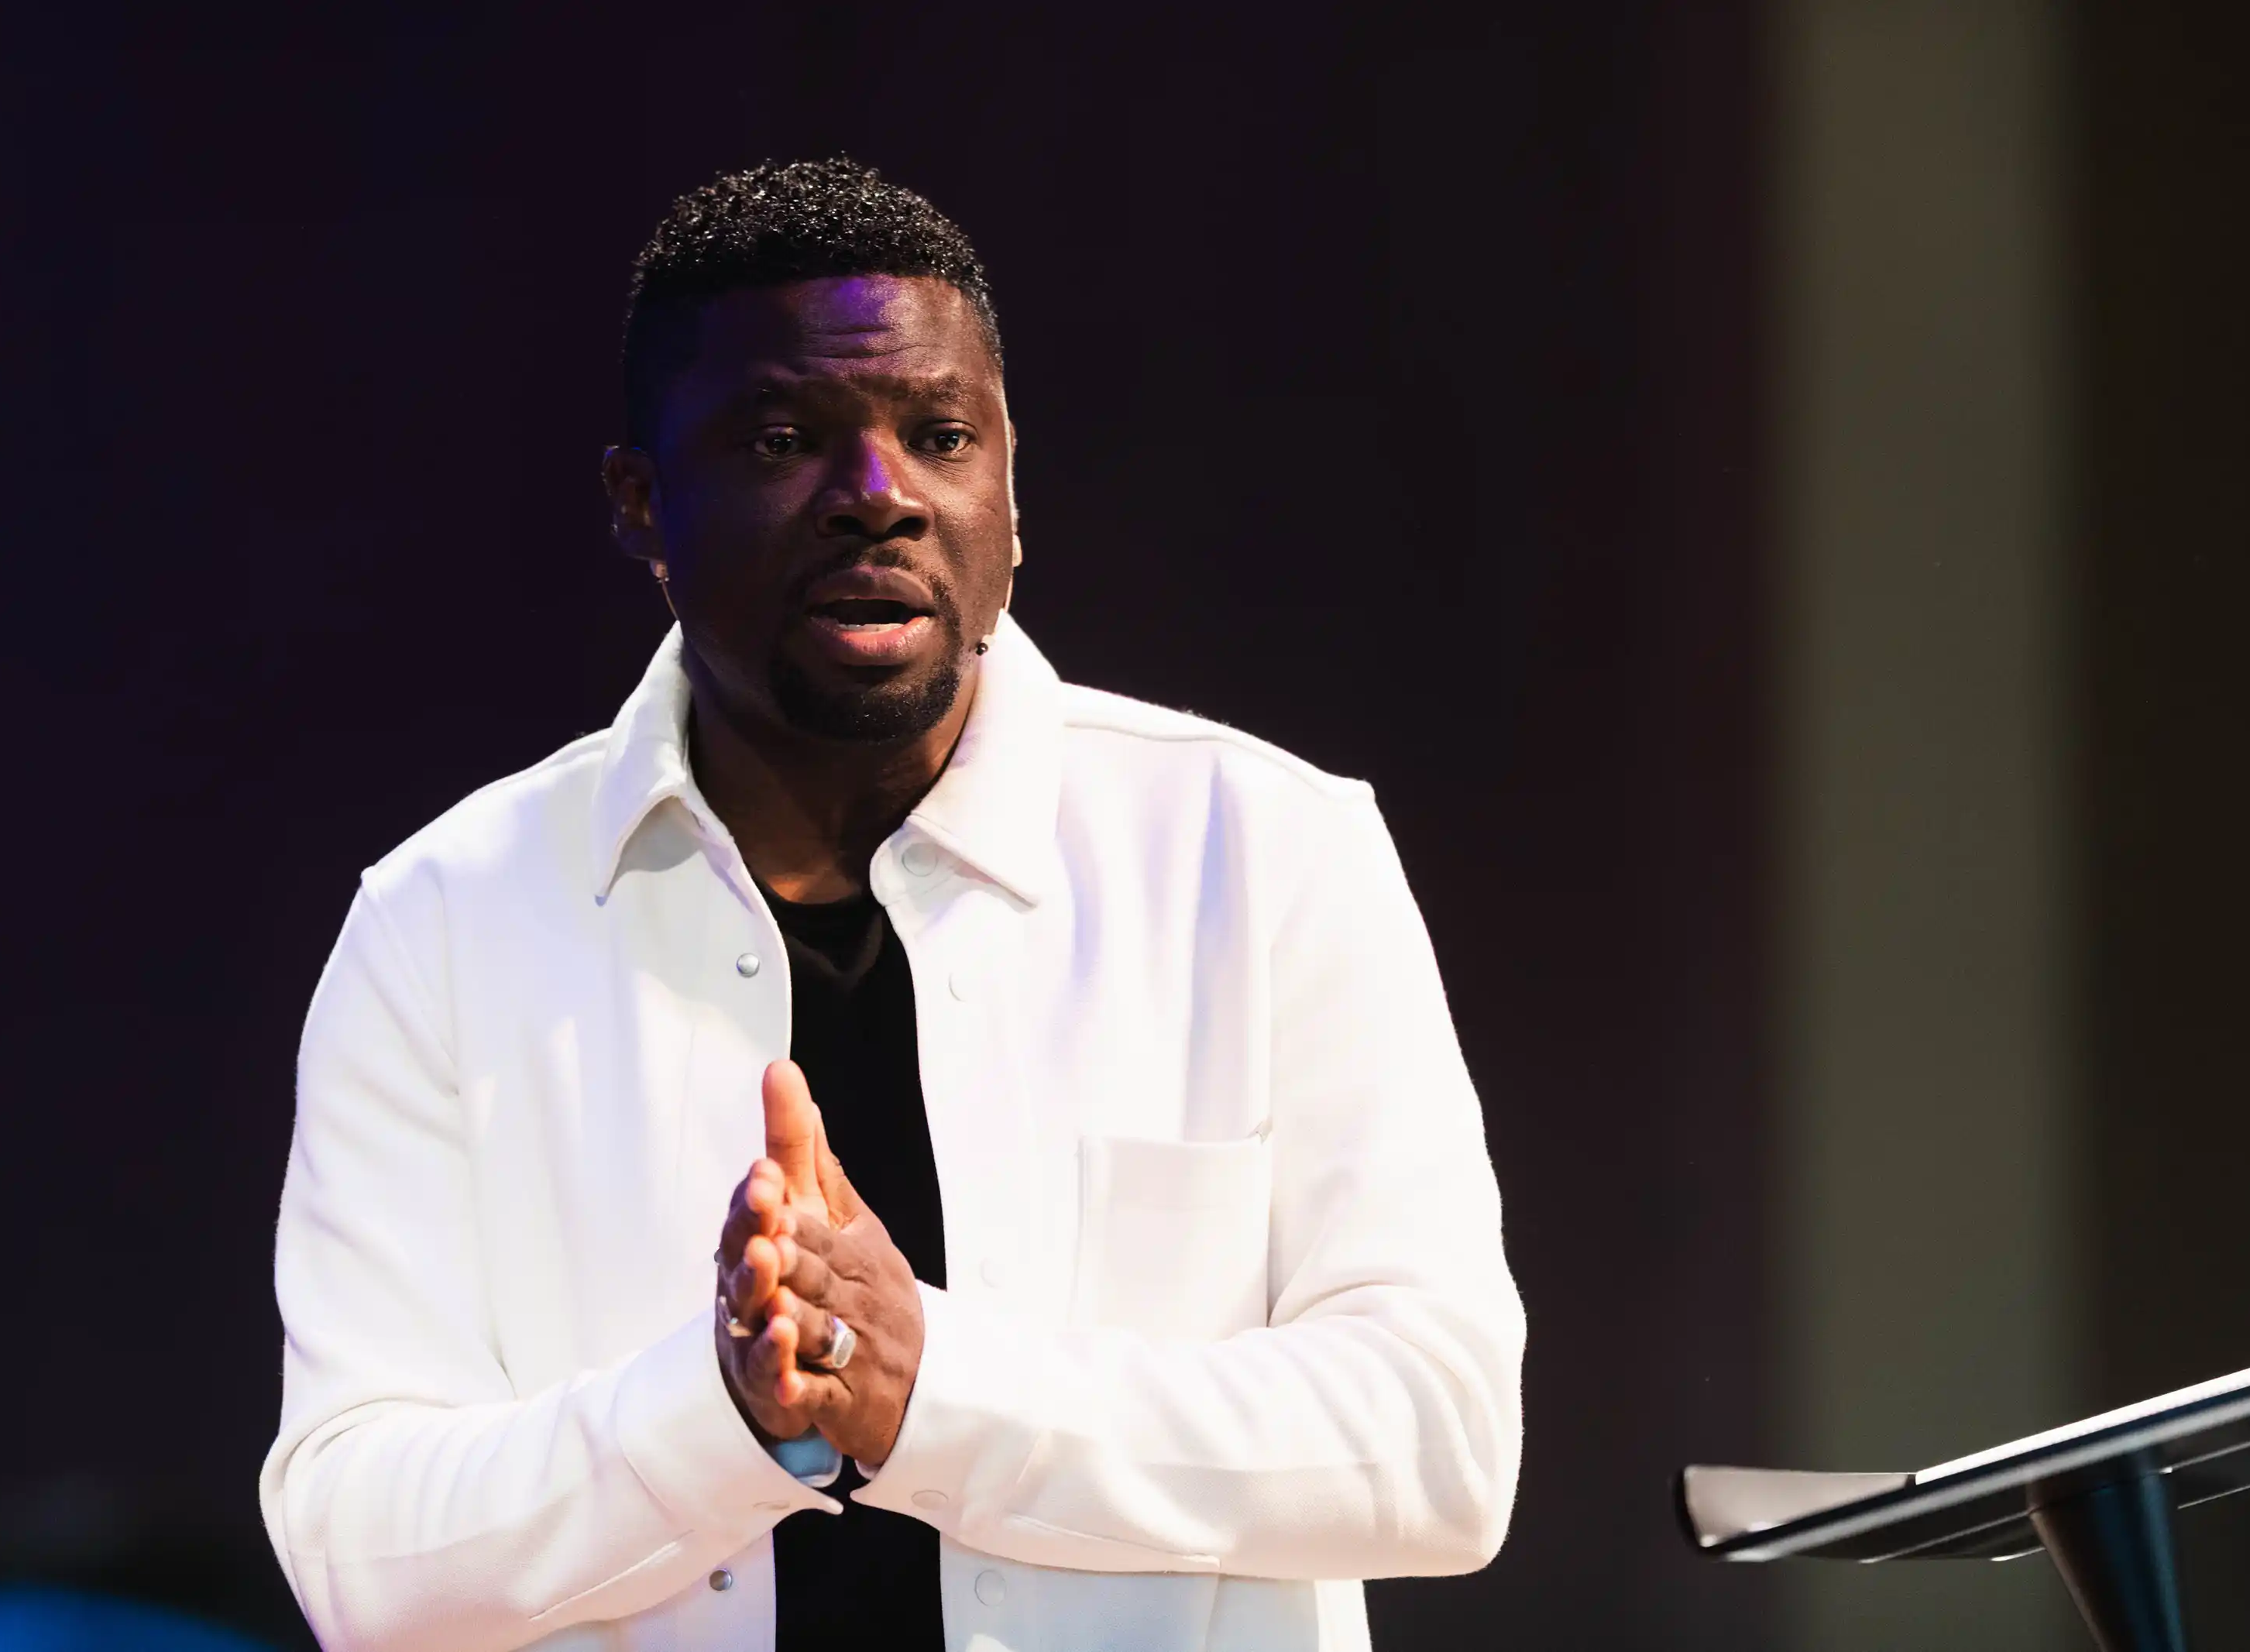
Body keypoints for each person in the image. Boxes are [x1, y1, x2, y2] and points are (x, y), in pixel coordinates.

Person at [259, 156, 1524, 1652]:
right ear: (641, 505)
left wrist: (934, 1388)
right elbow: (359, 1548)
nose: (880, 498)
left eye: (939, 436)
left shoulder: (1261, 854)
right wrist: (723, 1415)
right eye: (787, 437)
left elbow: (1442, 1445)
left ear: (1009, 491)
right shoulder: (445, 926)